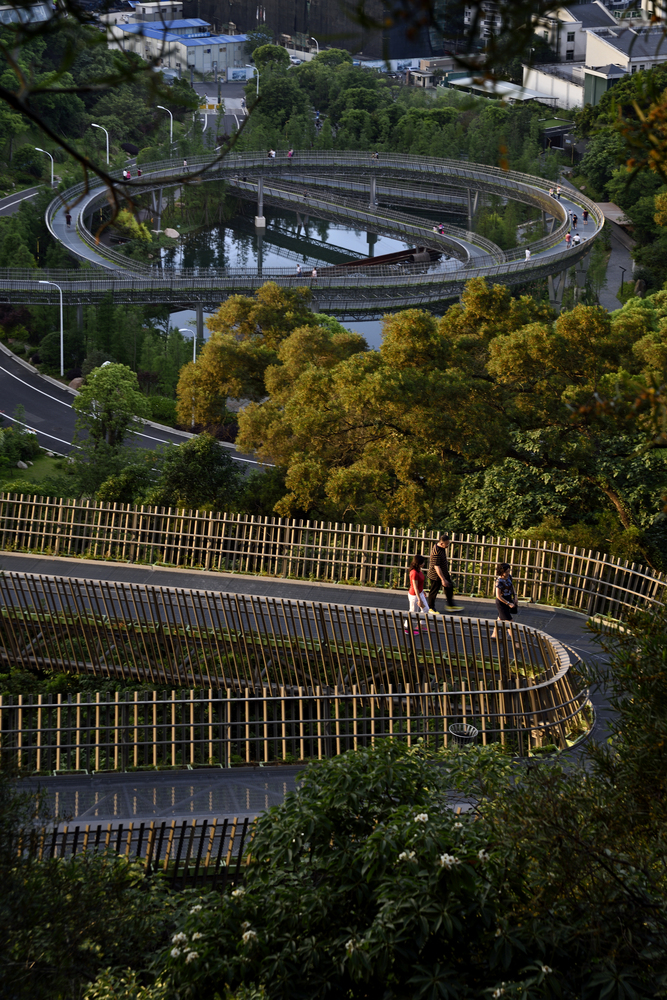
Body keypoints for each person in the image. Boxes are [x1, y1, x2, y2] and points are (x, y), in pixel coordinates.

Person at [426, 533, 464, 613]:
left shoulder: (441, 547)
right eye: (447, 544)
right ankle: (431, 608)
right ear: (441, 543)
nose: (448, 546)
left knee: (449, 587)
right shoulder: (436, 552)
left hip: (444, 573)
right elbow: (436, 567)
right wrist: (443, 579)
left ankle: (450, 605)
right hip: (436, 575)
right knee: (434, 591)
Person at [491, 562, 517, 640]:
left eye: (509, 571)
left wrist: (515, 596)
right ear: (501, 572)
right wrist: (508, 603)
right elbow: (498, 596)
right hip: (502, 602)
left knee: (500, 618)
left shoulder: (509, 577)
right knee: (510, 622)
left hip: (508, 598)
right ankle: (515, 642)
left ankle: (494, 635)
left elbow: (512, 585)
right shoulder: (499, 581)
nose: (508, 573)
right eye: (506, 572)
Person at [405, 554, 430, 633]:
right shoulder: (414, 573)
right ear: (418, 563)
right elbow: (415, 586)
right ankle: (407, 628)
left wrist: (423, 591)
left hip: (420, 593)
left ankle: (420, 626)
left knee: (426, 609)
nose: (424, 564)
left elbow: (419, 584)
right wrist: (419, 599)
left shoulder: (419, 570)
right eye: (422, 563)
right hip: (414, 595)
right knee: (413, 611)